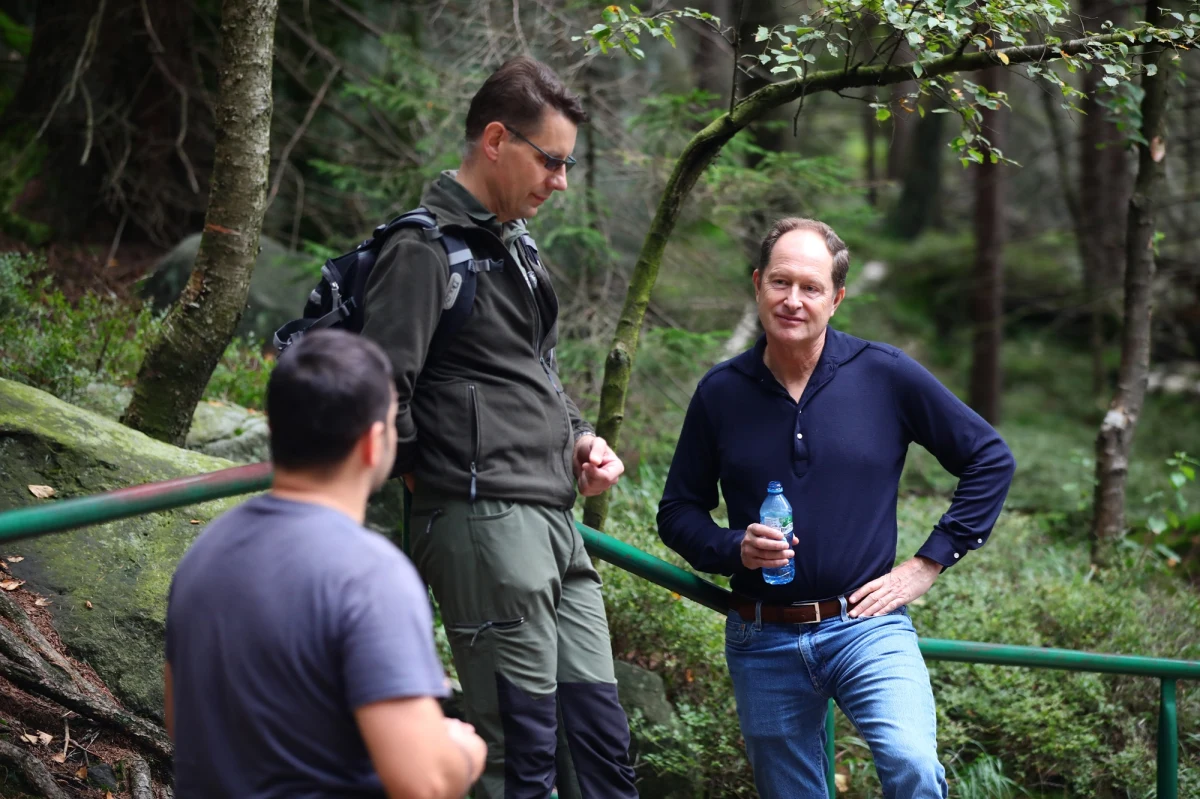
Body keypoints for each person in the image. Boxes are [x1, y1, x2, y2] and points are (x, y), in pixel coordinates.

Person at [657, 218, 1017, 798]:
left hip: (867, 628)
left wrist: (927, 563)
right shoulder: (720, 393)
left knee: (913, 765)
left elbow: (990, 459)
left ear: (836, 298)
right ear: (757, 285)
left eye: (811, 287)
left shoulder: (884, 373)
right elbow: (677, 511)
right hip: (762, 636)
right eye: (780, 282)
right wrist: (734, 548)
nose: (792, 300)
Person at [361, 57, 638, 799]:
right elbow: (385, 388)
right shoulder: (424, 249)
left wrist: (580, 436)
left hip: (554, 519)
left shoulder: (517, 246)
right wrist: (436, 475)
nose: (561, 181)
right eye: (551, 161)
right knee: (522, 753)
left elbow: (534, 374)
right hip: (485, 520)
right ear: (494, 139)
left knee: (602, 743)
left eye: (568, 164)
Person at [164, 330, 487, 799]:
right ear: (374, 443)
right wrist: (461, 750)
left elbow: (181, 723)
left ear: (275, 431)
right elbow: (425, 784)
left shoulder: (204, 553)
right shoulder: (371, 573)